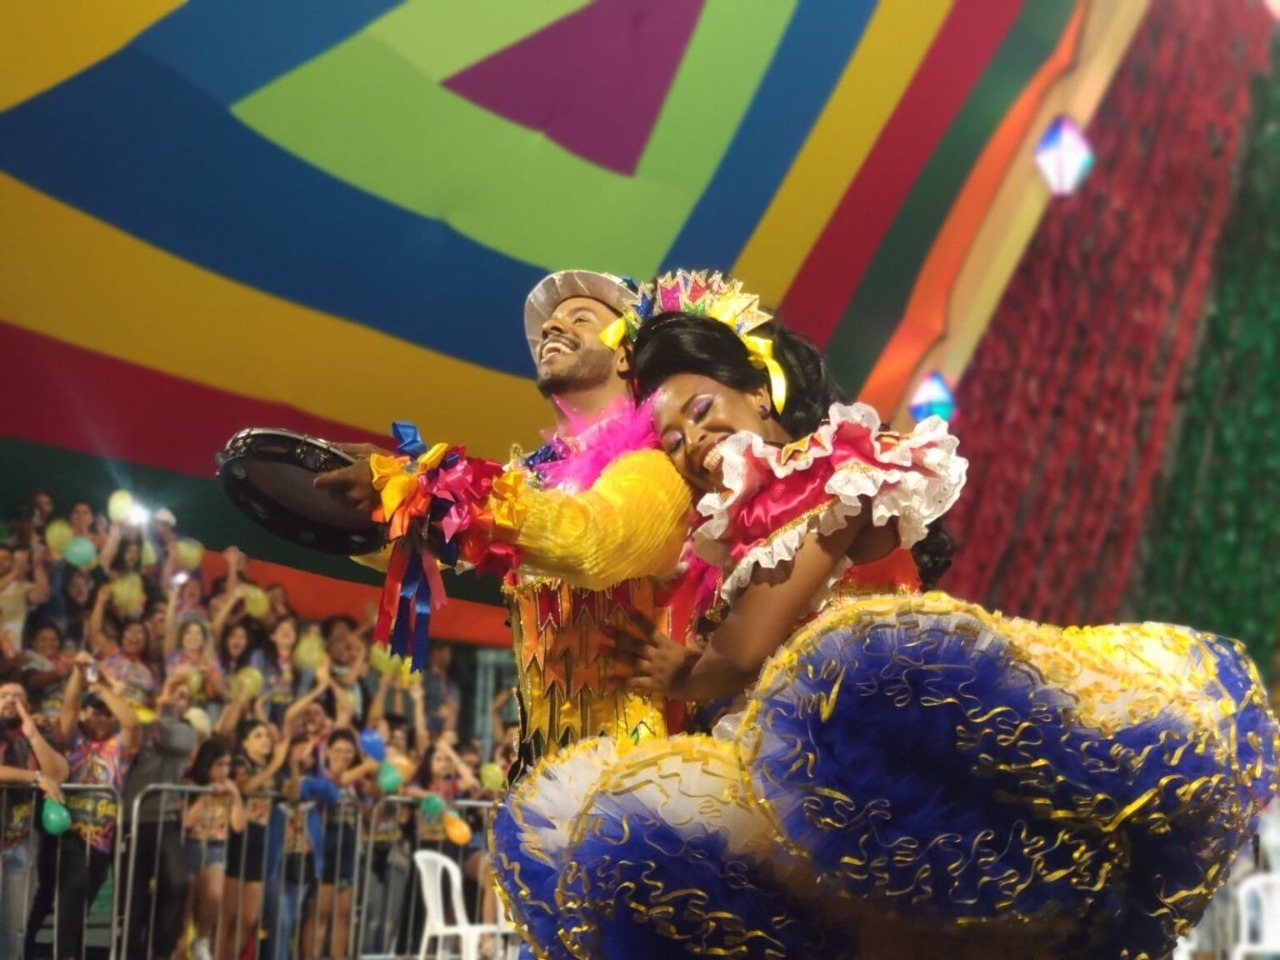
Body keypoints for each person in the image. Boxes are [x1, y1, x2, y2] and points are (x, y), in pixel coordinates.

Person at [492, 305, 1280, 960]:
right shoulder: (729, 536)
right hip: (785, 773)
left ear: (760, 395)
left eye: (701, 412)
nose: (693, 443)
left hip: (867, 741)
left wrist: (687, 673)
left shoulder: (824, 473)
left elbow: (748, 647)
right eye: (673, 443)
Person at [315, 269, 698, 784]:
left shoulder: (655, 467)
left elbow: (592, 542)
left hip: (644, 782)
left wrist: (427, 486)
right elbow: (416, 548)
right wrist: (369, 500)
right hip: (548, 778)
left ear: (626, 354)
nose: (553, 328)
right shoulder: (527, 483)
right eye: (550, 324)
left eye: (580, 318)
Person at [26, 653, 141, 960]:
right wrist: (79, 674)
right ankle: (60, 954)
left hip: (101, 836)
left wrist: (102, 689)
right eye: (96, 712)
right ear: (85, 712)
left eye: (107, 714)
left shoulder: (118, 747)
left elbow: (131, 722)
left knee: (78, 897)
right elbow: (69, 708)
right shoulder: (72, 739)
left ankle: (45, 949)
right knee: (72, 885)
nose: (102, 718)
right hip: (65, 829)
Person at [120, 670, 200, 960]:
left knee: (178, 881)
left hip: (164, 821)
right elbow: (134, 742)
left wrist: (166, 702)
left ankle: (161, 951)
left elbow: (169, 738)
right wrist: (161, 705)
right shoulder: (137, 729)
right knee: (134, 897)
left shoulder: (186, 732)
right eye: (173, 696)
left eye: (183, 697)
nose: (176, 701)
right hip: (132, 821)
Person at [0, 683, 69, 960]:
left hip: (21, 841)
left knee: (14, 928)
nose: (10, 700)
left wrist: (33, 735)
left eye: (17, 696)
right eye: (4, 695)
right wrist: (36, 777)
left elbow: (59, 772)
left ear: (27, 706)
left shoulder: (31, 736)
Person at [182, 738, 246, 960]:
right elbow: (187, 822)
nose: (224, 770)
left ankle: (202, 939)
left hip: (216, 847)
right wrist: (205, 795)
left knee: (214, 895)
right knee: (186, 904)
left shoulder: (229, 788)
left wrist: (235, 796)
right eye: (219, 764)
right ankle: (182, 944)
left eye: (227, 764)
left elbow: (238, 825)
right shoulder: (190, 784)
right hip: (190, 845)